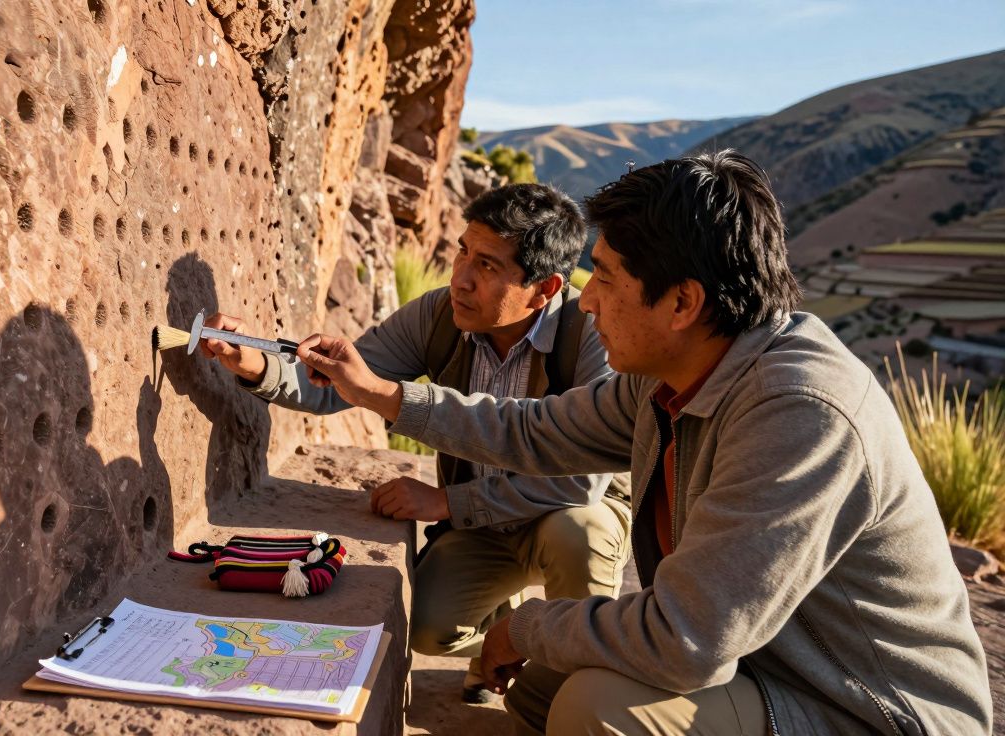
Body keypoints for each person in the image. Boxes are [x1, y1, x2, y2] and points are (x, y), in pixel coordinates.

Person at [293, 150, 991, 735]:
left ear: (682, 303)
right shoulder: (671, 372)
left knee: (596, 711)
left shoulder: (799, 413)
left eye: (607, 277)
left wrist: (529, 625)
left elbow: (686, 640)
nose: (587, 301)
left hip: (867, 709)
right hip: (764, 666)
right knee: (543, 692)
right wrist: (384, 394)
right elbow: (534, 431)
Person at [199, 183, 631, 704]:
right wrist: (254, 361)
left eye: (488, 267)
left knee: (579, 533)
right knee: (424, 627)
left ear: (544, 290)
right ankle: (497, 640)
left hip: (571, 512)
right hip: (486, 526)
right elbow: (344, 383)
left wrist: (449, 501)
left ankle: (560, 684)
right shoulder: (440, 318)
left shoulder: (590, 336)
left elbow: (580, 482)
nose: (461, 279)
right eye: (462, 253)